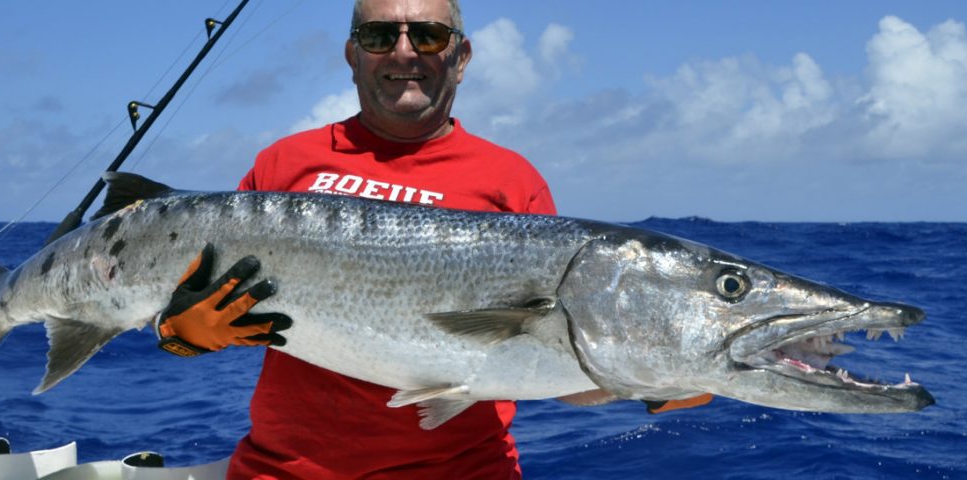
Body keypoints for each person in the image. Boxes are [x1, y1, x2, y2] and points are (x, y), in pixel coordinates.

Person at [155, 0, 710, 477]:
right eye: (378, 35)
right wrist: (182, 333)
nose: (403, 52)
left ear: (460, 57)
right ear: (352, 56)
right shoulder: (284, 164)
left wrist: (656, 381)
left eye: (427, 34)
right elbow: (186, 313)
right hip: (282, 473)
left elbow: (555, 366)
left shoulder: (511, 180)